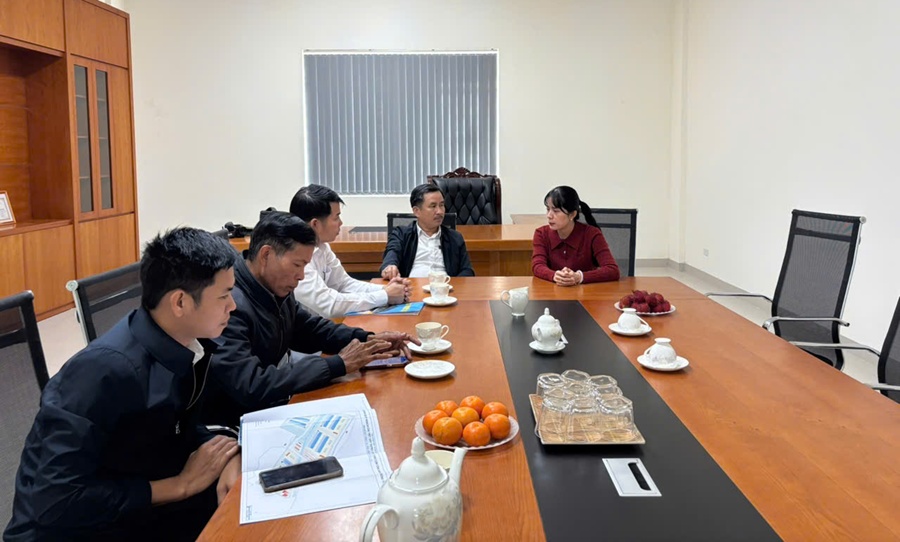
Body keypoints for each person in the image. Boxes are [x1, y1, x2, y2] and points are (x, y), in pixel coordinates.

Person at [4, 228, 241, 542]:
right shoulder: (101, 373)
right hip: (75, 529)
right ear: (180, 302)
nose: (233, 306)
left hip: (135, 500)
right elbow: (55, 500)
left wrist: (227, 456)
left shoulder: (184, 345)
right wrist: (178, 486)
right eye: (224, 296)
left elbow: (174, 427)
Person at [202, 211, 417, 428]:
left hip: (275, 401)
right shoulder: (229, 305)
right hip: (237, 424)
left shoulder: (274, 286)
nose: (302, 276)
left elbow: (309, 329)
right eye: (297, 265)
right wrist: (337, 364)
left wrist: (369, 339)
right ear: (266, 255)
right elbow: (250, 384)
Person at [289, 184, 410, 318]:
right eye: (336, 217)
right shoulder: (295, 257)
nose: (341, 223)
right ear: (315, 224)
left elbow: (344, 284)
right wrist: (385, 295)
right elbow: (330, 305)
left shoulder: (322, 247)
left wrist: (387, 289)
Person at [380, 184, 475, 279]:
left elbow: (467, 270)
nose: (440, 211)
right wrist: (390, 267)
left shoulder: (455, 237)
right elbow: (392, 255)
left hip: (445, 286)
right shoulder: (401, 234)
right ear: (417, 211)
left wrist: (454, 285)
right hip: (411, 286)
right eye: (433, 206)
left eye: (441, 205)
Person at [532, 186, 620, 285]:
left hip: (585, 292)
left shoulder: (592, 234)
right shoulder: (541, 234)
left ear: (572, 214)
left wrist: (579, 277)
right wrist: (554, 275)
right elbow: (537, 266)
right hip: (552, 291)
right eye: (548, 209)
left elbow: (612, 270)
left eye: (556, 211)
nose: (549, 215)